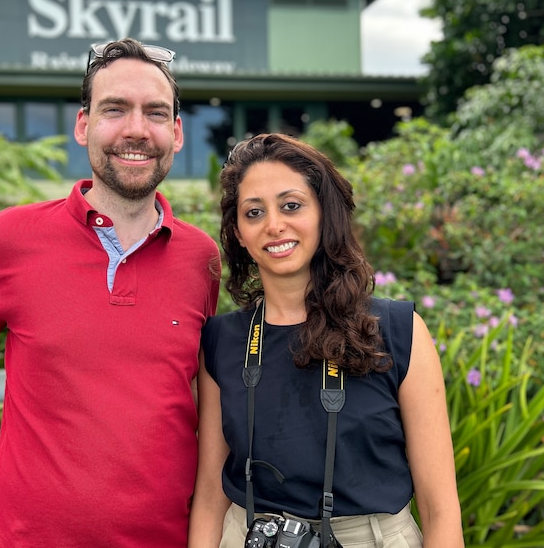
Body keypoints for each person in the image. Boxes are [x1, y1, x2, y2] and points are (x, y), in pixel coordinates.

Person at [0, 38, 221, 547]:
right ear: (84, 125)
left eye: (155, 113)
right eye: (115, 109)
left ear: (176, 134)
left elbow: (202, 403)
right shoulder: (6, 240)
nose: (137, 129)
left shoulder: (201, 260)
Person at [188, 133, 463, 547]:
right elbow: (210, 496)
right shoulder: (223, 342)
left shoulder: (397, 331)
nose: (274, 224)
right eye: (254, 212)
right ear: (239, 233)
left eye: (291, 205)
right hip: (247, 535)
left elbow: (440, 508)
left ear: (324, 214)